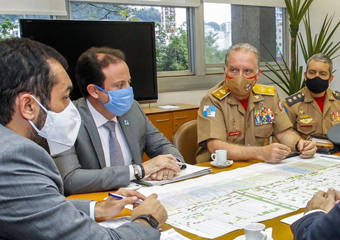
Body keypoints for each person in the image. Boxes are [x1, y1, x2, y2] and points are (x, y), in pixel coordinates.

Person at [0, 38, 167, 240]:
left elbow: (33, 203)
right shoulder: (13, 157)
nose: (69, 107)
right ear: (28, 106)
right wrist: (147, 219)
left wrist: (97, 208)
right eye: (64, 98)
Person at [53, 47, 183, 195]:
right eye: (120, 85)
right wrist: (137, 170)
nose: (129, 90)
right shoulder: (66, 118)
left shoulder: (133, 109)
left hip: (137, 197)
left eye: (129, 82)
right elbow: (70, 180)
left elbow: (164, 146)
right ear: (94, 91)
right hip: (95, 204)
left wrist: (170, 165)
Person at [196, 43, 316, 164]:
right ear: (225, 71)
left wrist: (299, 144)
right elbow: (215, 147)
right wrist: (260, 153)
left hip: (255, 166)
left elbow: (284, 132)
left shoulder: (269, 97)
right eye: (234, 70)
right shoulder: (212, 100)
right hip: (220, 169)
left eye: (247, 71)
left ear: (258, 74)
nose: (240, 77)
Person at [284, 53, 340, 139]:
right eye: (312, 72)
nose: (316, 77)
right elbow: (283, 138)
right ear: (305, 76)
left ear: (330, 79)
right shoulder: (292, 105)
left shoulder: (338, 102)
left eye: (323, 73)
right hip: (305, 152)